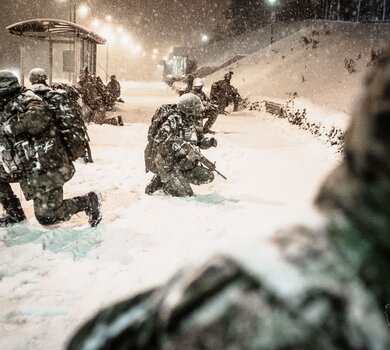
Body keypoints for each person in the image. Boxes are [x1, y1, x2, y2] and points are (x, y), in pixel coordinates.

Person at [67, 49, 390, 349]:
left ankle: (166, 180)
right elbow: (168, 147)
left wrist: (201, 148)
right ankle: (162, 182)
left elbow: (101, 337)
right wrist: (190, 158)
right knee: (186, 186)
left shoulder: (280, 292)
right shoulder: (289, 298)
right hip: (162, 162)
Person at [0, 70, 102, 227]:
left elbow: (39, 116)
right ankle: (15, 214)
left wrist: (8, 127)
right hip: (27, 165)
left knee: (47, 217)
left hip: (47, 166)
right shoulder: (7, 105)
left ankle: (89, 201)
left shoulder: (27, 98)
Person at [144, 93, 218, 197]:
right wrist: (178, 145)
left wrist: (208, 142)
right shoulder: (172, 121)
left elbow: (199, 141)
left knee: (208, 176)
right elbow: (159, 144)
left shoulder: (192, 122)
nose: (198, 113)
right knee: (187, 195)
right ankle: (165, 183)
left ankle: (175, 180)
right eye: (195, 110)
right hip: (166, 163)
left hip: (182, 162)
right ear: (187, 110)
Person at [29, 68, 93, 163]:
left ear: (31, 80)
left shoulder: (29, 95)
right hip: (56, 136)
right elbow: (68, 118)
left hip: (36, 137)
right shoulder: (56, 95)